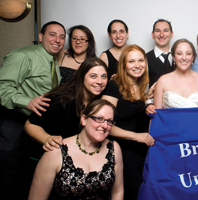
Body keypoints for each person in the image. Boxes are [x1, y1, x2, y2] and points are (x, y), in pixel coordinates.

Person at [0, 21, 66, 199]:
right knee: (9, 173)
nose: (57, 40)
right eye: (52, 34)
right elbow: (2, 88)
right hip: (14, 122)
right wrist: (26, 101)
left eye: (61, 37)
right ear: (41, 37)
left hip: (35, 125)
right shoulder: (23, 55)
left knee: (26, 175)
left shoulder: (52, 61)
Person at [28, 99, 123, 200]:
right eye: (99, 118)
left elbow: (118, 192)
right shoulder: (56, 151)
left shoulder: (113, 148)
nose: (105, 126)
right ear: (84, 119)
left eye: (109, 121)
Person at [102, 44, 155, 200]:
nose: (137, 65)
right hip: (120, 150)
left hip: (139, 150)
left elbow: (133, 112)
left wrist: (147, 101)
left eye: (140, 60)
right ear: (123, 64)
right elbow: (103, 125)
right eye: (131, 61)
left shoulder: (141, 85)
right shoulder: (113, 86)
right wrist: (136, 136)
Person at [154, 38, 198, 109]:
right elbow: (157, 114)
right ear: (174, 57)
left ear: (193, 57)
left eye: (188, 53)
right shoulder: (162, 81)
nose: (184, 58)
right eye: (179, 53)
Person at [145, 18, 174, 114]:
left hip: (177, 111)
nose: (161, 35)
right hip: (155, 111)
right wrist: (148, 104)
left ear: (171, 34)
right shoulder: (144, 59)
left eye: (165, 30)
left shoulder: (180, 58)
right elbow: (141, 89)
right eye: (158, 31)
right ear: (152, 35)